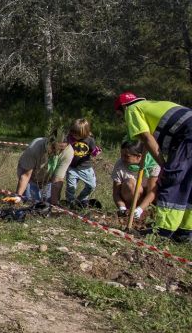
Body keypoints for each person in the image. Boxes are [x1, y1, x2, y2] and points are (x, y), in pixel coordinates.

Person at [117, 92, 192, 241]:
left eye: (119, 115)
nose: (123, 120)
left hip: (188, 136)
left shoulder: (132, 109)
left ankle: (162, 231)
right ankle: (185, 232)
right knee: (189, 182)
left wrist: (163, 164)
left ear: (123, 108)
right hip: (187, 133)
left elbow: (145, 137)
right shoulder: (152, 105)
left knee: (174, 180)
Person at [14, 129, 74, 205]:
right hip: (30, 178)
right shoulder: (35, 147)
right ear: (49, 142)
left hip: (47, 180)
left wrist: (54, 205)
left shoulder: (68, 152)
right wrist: (18, 197)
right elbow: (26, 176)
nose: (58, 152)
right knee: (31, 204)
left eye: (61, 149)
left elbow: (58, 179)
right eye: (55, 148)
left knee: (47, 204)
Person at [112, 139, 160, 221]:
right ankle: (130, 213)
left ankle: (147, 213)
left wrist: (140, 209)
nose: (122, 158)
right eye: (121, 154)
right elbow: (116, 193)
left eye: (127, 156)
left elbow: (152, 193)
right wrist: (122, 208)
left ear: (139, 156)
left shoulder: (153, 165)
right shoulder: (120, 164)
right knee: (130, 184)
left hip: (150, 200)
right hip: (131, 200)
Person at [64, 118, 101, 207]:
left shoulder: (89, 140)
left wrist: (96, 152)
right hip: (72, 167)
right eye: (73, 133)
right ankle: (70, 202)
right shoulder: (69, 138)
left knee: (91, 185)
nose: (74, 135)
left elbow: (93, 151)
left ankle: (81, 199)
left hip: (86, 168)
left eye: (77, 134)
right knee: (71, 187)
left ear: (84, 133)